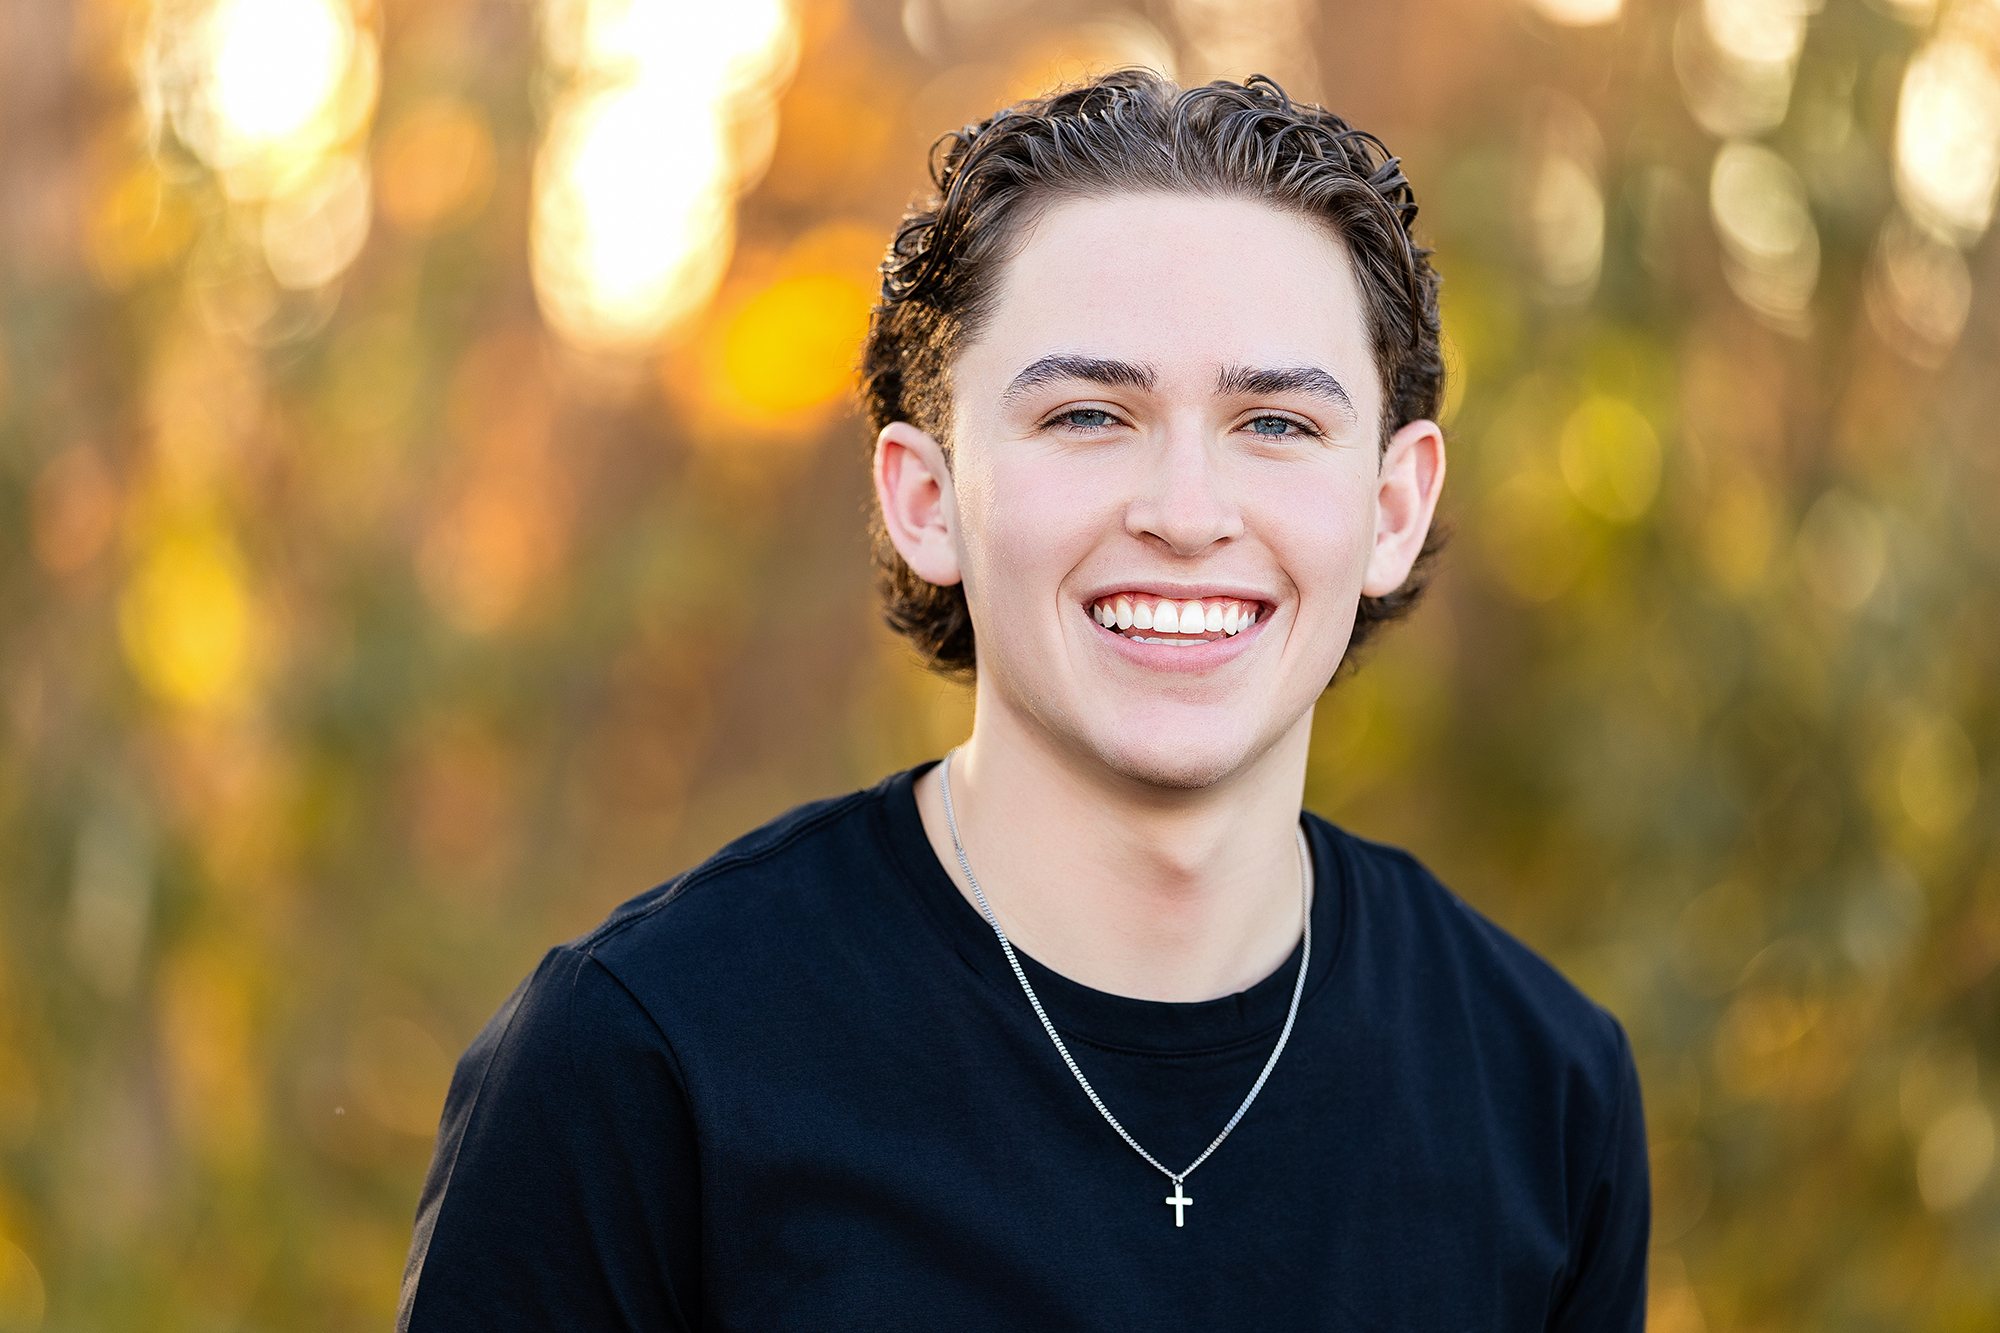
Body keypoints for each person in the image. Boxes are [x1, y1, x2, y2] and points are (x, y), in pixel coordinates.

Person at [398, 70, 1649, 1331]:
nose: (1184, 512)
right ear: (927, 498)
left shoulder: (1542, 1090)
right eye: (1089, 413)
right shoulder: (642, 1064)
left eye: (1272, 423)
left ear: (1390, 510)